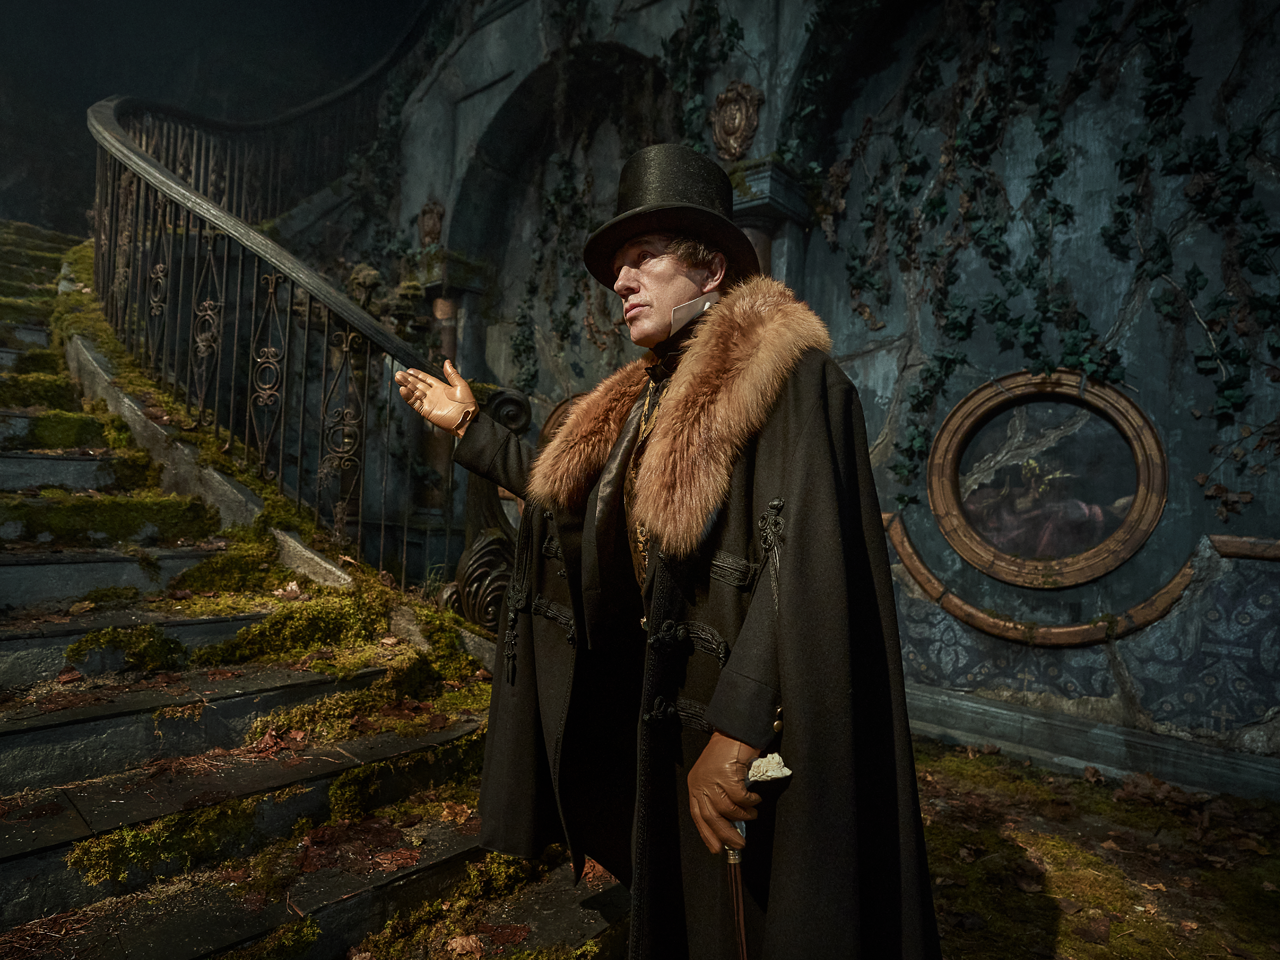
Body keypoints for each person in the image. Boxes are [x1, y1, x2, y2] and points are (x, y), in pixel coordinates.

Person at [395, 143, 940, 960]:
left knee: (755, 915)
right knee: (679, 904)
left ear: (710, 268)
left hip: (744, 717)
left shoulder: (791, 381)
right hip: (662, 703)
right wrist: (471, 428)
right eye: (618, 266)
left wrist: (739, 729)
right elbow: (578, 494)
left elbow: (805, 563)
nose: (620, 282)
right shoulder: (642, 395)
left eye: (643, 257)